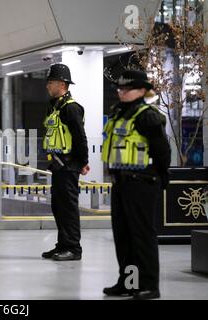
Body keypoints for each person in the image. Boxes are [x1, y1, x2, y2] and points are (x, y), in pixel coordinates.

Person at [102, 70, 171, 300]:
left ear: (142, 90)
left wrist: (162, 177)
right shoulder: (119, 113)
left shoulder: (147, 116)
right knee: (124, 237)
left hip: (142, 183)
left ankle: (150, 286)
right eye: (119, 89)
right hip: (121, 183)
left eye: (127, 88)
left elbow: (162, 151)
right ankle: (129, 283)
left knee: (142, 236)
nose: (121, 92)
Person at [41, 64, 90, 261]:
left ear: (62, 84)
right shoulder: (57, 107)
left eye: (50, 83)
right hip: (58, 165)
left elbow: (80, 137)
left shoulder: (71, 108)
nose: (47, 86)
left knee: (68, 208)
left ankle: (73, 248)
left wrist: (83, 161)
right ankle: (62, 244)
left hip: (69, 166)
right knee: (58, 207)